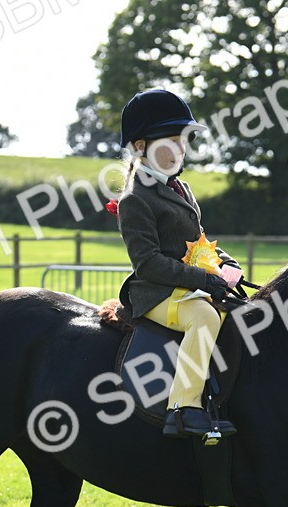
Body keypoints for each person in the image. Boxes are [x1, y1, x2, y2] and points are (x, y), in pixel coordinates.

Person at [113, 88, 240, 438]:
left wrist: (226, 265)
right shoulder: (135, 199)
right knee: (203, 317)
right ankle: (183, 409)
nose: (182, 148)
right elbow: (148, 263)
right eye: (172, 140)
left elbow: (198, 242)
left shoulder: (181, 188)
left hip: (187, 286)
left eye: (184, 140)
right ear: (141, 146)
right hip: (155, 292)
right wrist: (203, 279)